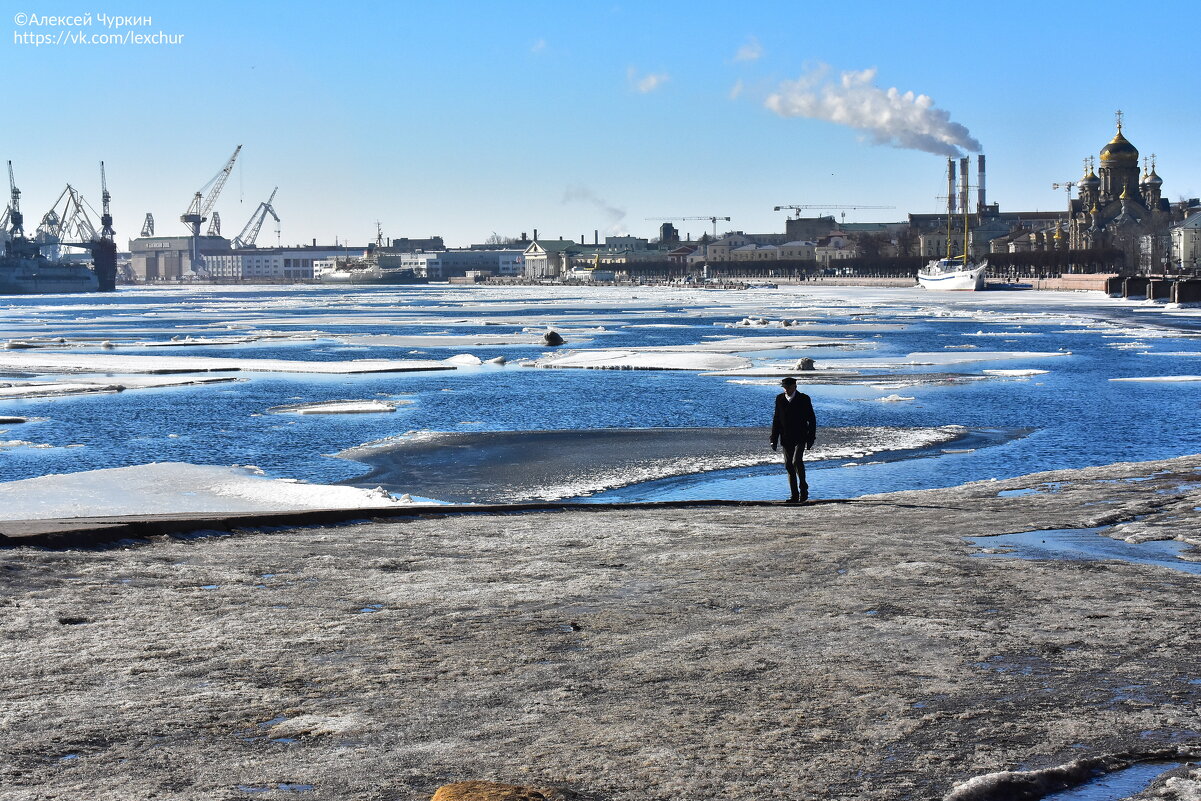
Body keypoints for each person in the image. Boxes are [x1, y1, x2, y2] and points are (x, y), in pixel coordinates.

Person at [770, 376, 816, 503]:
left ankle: (803, 488)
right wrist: (773, 438)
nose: (786, 390)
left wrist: (811, 437)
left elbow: (811, 419)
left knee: (797, 461)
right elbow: (776, 420)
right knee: (788, 465)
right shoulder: (779, 399)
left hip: (801, 436)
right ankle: (794, 496)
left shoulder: (804, 399)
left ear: (795, 386)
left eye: (788, 387)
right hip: (786, 438)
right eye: (784, 387)